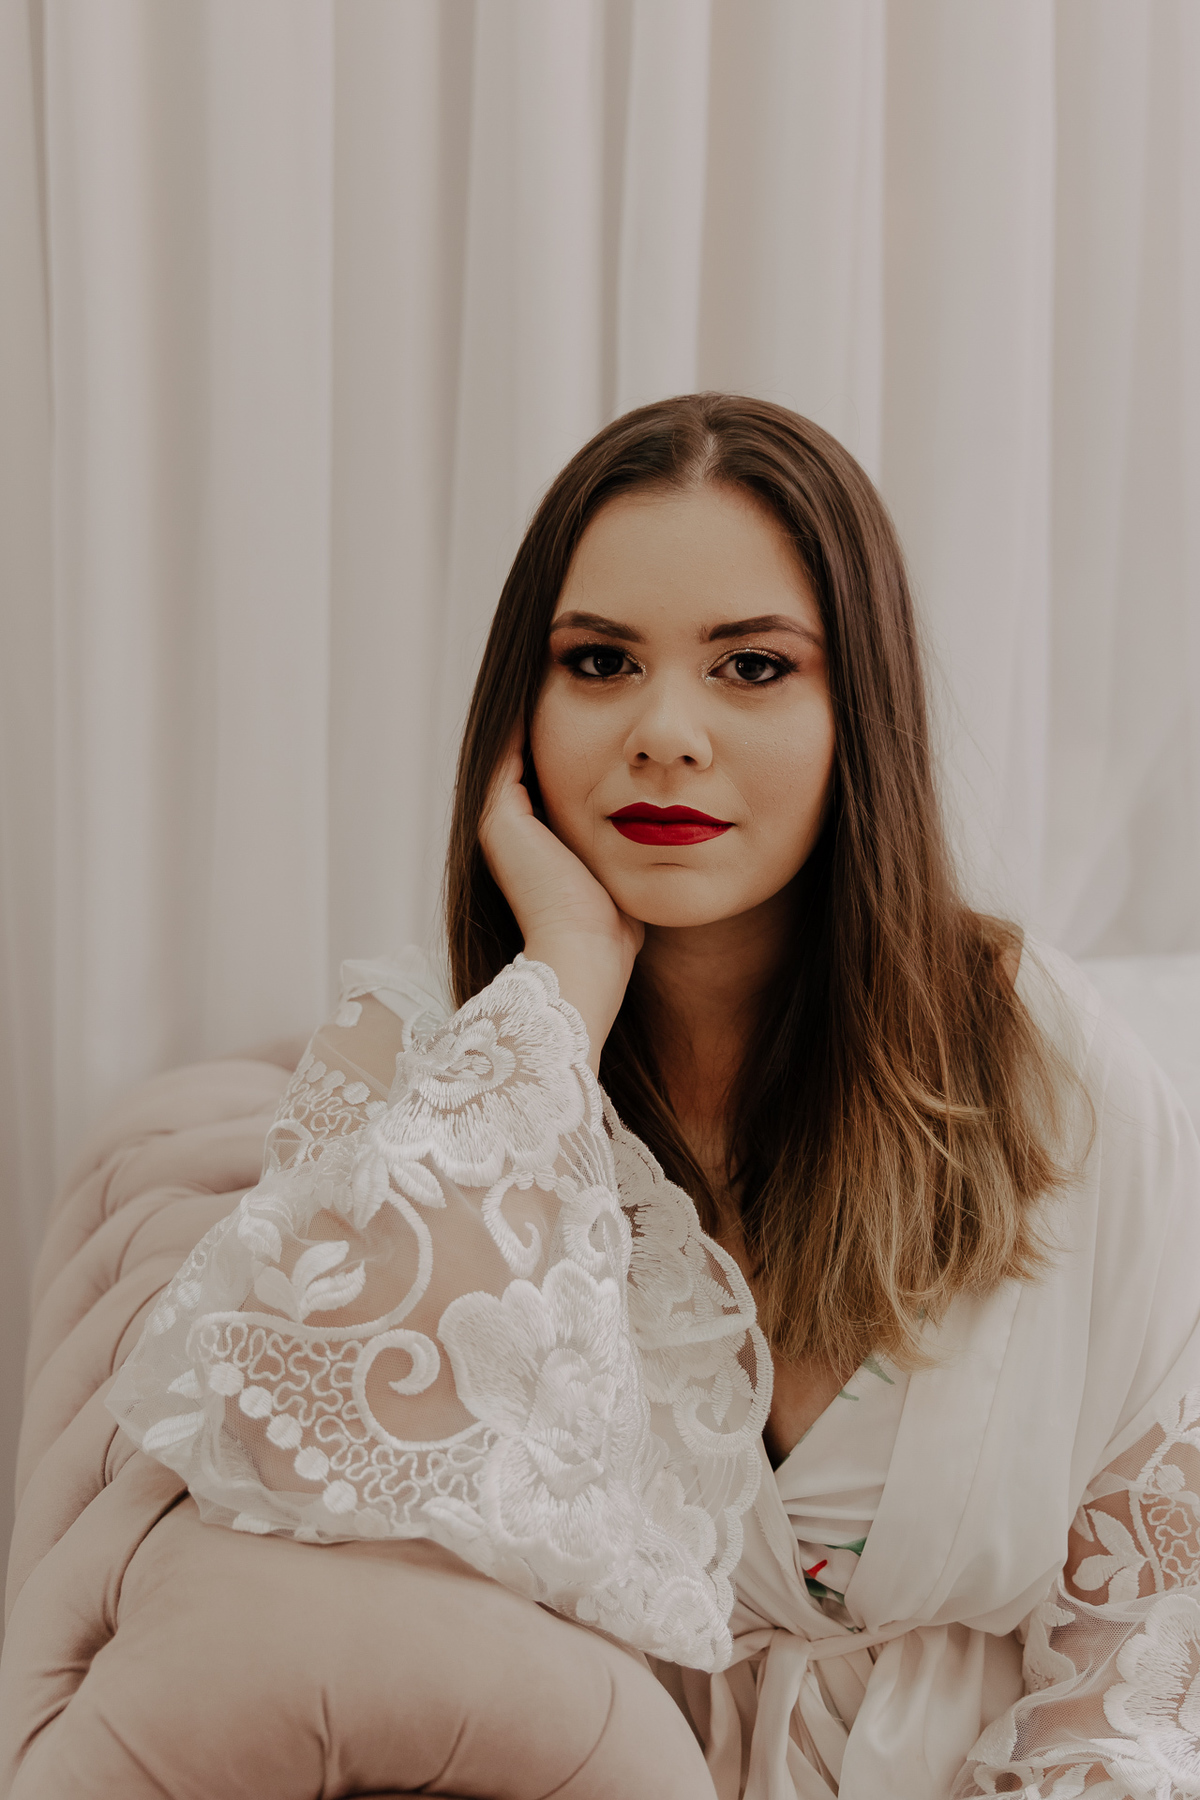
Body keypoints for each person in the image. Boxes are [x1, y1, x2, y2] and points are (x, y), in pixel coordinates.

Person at [108, 395, 1200, 1799]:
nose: (666, 732)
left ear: (859, 710)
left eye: (752, 666)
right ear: (522, 711)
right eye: (600, 661)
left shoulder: (1051, 1067)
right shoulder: (435, 1049)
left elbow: (1141, 1644)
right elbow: (277, 1444)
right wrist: (562, 983)